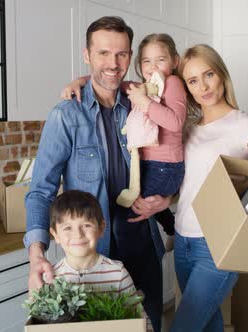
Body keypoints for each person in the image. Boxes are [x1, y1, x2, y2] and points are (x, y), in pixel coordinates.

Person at [132, 44, 248, 332]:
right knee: (208, 324)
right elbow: (191, 181)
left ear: (222, 74)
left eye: (209, 74)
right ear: (184, 87)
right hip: (184, 241)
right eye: (193, 80)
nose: (204, 86)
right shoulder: (189, 127)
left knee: (183, 327)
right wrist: (166, 201)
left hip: (218, 246)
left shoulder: (242, 124)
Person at [24, 16, 164, 332]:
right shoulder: (65, 115)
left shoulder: (142, 105)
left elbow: (171, 160)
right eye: (103, 53)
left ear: (131, 57)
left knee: (148, 325)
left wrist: (165, 198)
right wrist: (37, 256)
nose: (113, 64)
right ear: (87, 55)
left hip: (142, 245)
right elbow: (40, 191)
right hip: (91, 254)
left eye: (122, 54)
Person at [62, 33, 187, 243]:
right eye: (147, 61)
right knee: (144, 207)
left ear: (175, 61)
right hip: (154, 165)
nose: (153, 66)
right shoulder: (144, 87)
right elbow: (109, 81)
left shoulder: (172, 83)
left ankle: (174, 232)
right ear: (139, 64)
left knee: (130, 213)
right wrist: (79, 81)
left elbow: (175, 122)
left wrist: (143, 101)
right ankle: (172, 227)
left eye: (161, 60)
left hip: (164, 166)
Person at [49, 190, 136, 295]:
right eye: (68, 228)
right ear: (55, 235)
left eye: (86, 225)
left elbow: (136, 312)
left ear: (101, 228)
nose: (78, 235)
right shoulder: (50, 278)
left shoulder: (118, 274)